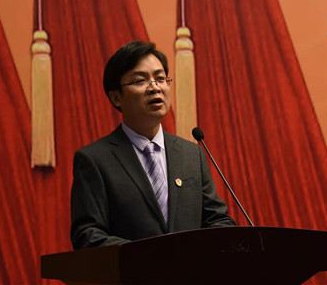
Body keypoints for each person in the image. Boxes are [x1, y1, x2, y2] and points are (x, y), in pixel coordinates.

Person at [70, 40, 236, 249]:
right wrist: (152, 257)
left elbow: (217, 220)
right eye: (140, 81)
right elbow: (88, 235)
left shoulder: (191, 154)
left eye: (160, 78)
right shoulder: (95, 160)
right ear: (116, 97)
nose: (155, 87)